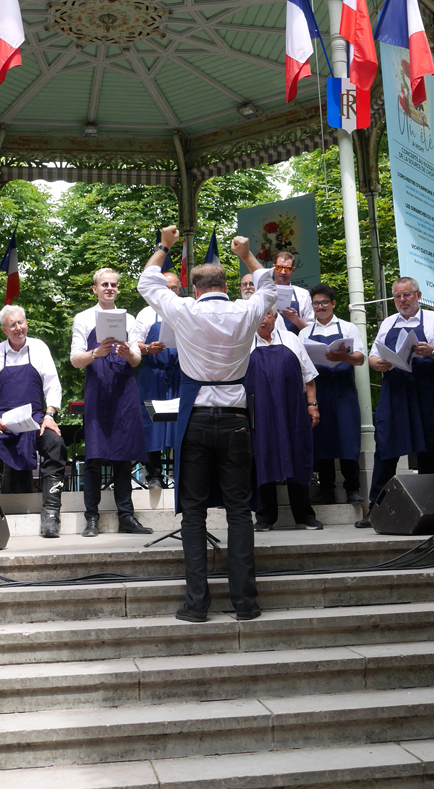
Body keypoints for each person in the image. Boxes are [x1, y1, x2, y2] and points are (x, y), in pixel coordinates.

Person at [138, 226, 275, 623]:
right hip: (235, 420)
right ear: (226, 286)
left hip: (195, 419)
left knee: (194, 513)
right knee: (239, 511)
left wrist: (164, 244)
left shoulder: (185, 309)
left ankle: (197, 605)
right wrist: (247, 255)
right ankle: (245, 604)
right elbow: (270, 287)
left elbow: (147, 282)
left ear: (195, 290)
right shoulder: (245, 310)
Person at [357, 276, 434, 528]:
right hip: (394, 392)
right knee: (385, 449)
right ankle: (376, 511)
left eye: (407, 295)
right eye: (397, 296)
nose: (402, 300)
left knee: (427, 450)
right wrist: (378, 364)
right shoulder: (388, 322)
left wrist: (431, 351)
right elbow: (372, 356)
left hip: (424, 392)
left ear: (418, 295)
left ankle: (430, 508)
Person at [71, 267, 151, 536]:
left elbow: (137, 361)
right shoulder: (83, 318)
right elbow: (75, 360)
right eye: (104, 284)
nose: (109, 288)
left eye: (114, 284)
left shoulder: (129, 319)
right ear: (95, 289)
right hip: (97, 393)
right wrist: (96, 352)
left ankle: (126, 517)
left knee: (124, 457)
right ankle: (91, 518)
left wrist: (128, 353)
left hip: (124, 393)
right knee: (93, 457)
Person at [0, 304, 67, 536]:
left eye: (21, 322)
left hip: (34, 419)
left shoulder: (39, 348)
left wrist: (49, 415)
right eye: (12, 325)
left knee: (55, 444)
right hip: (2, 420)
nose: (18, 328)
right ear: (4, 330)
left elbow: (53, 385)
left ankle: (51, 515)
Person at [246, 307, 322, 530]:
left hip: (293, 408)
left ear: (275, 316)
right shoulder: (244, 343)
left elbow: (309, 377)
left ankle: (304, 515)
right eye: (258, 315)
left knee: (297, 455)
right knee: (263, 456)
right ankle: (265, 517)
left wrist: (312, 405)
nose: (262, 319)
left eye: (267, 314)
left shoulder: (291, 339)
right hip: (259, 411)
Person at [298, 284, 365, 506]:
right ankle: (326, 489)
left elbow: (360, 359)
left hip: (343, 388)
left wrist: (344, 357)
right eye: (316, 303)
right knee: (321, 437)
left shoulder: (348, 328)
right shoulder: (305, 333)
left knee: (348, 436)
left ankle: (352, 488)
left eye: (324, 302)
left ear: (333, 303)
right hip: (318, 389)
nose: (320, 307)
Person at [133, 271, 182, 489]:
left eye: (174, 288)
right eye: (166, 287)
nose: (170, 292)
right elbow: (134, 344)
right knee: (151, 424)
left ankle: (183, 474)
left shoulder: (185, 310)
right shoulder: (146, 313)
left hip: (180, 376)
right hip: (153, 376)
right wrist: (148, 348)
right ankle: (153, 475)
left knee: (180, 425)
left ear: (179, 289)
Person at [272, 252, 313, 335]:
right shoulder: (264, 292)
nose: (283, 272)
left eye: (287, 269)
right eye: (279, 268)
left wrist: (296, 320)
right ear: (273, 268)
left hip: (295, 341)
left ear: (292, 270)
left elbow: (310, 331)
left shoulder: (303, 294)